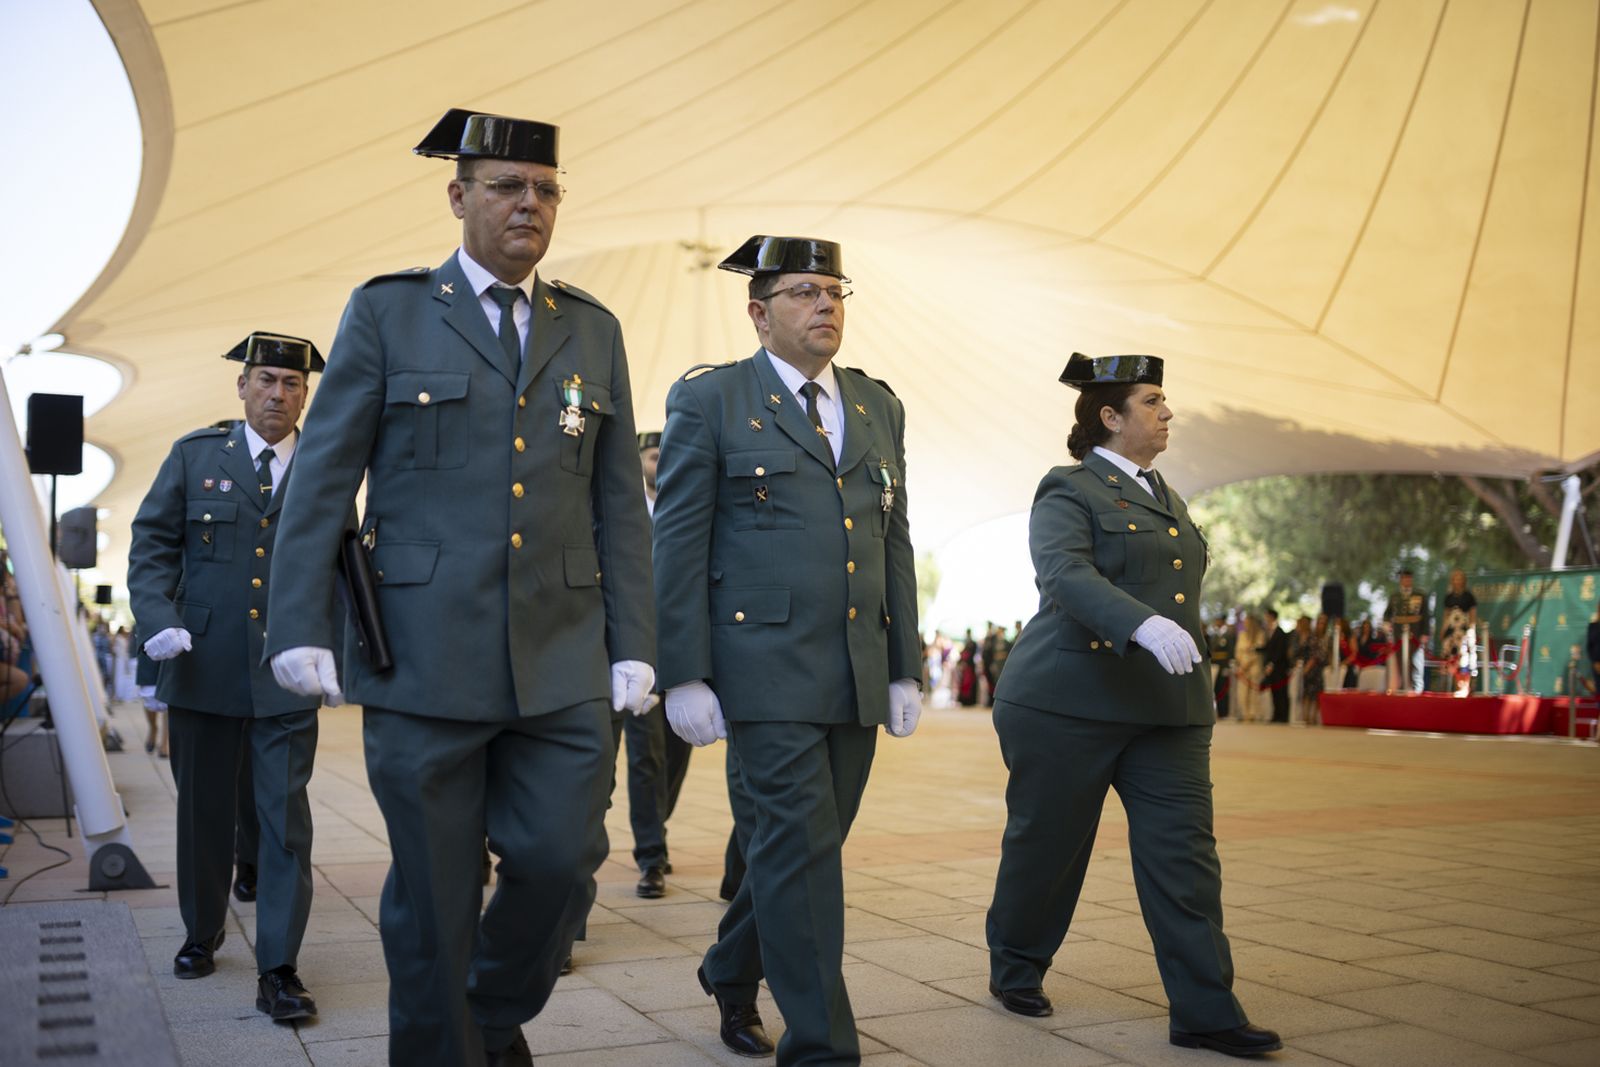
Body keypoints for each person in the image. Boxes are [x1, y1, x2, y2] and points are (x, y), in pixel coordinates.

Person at [263, 109, 656, 1067]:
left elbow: (619, 502)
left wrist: (637, 641)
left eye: (546, 189)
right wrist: (299, 622)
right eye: (507, 186)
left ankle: (484, 1012)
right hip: (422, 655)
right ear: (458, 197)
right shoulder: (389, 311)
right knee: (435, 895)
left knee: (565, 861)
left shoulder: (592, 329)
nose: (530, 204)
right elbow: (324, 477)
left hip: (561, 654)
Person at [653, 234, 921, 1065]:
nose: (825, 304)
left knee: (803, 849)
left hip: (855, 669)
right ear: (759, 313)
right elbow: (678, 539)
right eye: (804, 292)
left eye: (835, 290)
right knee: (802, 854)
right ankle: (823, 1045)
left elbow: (894, 537)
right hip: (762, 670)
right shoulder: (713, 399)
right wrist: (684, 672)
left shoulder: (876, 405)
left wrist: (905, 663)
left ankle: (730, 966)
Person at [985, 352, 1279, 1059]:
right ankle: (1016, 965)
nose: (1167, 411)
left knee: (1185, 859)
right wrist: (1139, 623)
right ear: (1110, 417)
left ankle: (1205, 1010)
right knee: (1049, 848)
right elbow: (1065, 572)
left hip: (1165, 710)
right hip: (1068, 702)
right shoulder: (1069, 488)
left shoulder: (1166, 496)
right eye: (1152, 400)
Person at [127, 331, 327, 1021]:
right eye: (265, 379)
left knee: (285, 822)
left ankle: (280, 966)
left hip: (288, 671)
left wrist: (340, 651)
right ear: (242, 386)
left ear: (305, 396)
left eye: (291, 384)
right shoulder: (194, 456)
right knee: (203, 812)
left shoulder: (324, 463)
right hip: (202, 663)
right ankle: (202, 929)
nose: (278, 393)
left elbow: (344, 562)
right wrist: (156, 616)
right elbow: (152, 543)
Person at [1384, 568, 1430, 692]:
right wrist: (1387, 623)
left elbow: (1426, 615)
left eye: (1408, 578)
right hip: (1398, 633)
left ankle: (1414, 685)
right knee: (1400, 659)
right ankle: (1404, 683)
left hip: (1415, 632)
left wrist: (1425, 633)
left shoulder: (1420, 595)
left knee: (1413, 658)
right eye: (1404, 578)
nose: (1406, 581)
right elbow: (1388, 613)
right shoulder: (1395, 596)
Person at [1438, 569, 1478, 696]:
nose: (1457, 581)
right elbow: (1446, 615)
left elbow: (1472, 615)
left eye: (1460, 578)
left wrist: (1471, 630)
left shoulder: (1469, 596)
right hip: (1451, 632)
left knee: (1464, 658)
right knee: (1449, 658)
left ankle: (1463, 687)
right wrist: (1443, 630)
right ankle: (1446, 687)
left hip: (1464, 632)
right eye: (1455, 578)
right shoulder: (1448, 597)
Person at [1257, 608, 1290, 723]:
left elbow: (1280, 651)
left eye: (1267, 616)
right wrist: (1256, 649)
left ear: (1272, 617)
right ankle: (1276, 714)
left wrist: (1272, 664)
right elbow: (1268, 648)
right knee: (1274, 692)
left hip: (1279, 668)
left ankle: (1283, 715)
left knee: (1281, 692)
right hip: (1271, 667)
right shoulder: (1269, 632)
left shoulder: (1280, 632)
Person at [1206, 616, 1234, 718]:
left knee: (1223, 688)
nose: (1216, 622)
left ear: (1222, 621)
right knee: (1216, 688)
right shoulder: (1214, 634)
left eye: (1218, 620)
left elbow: (1230, 650)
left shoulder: (1228, 635)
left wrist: (1227, 666)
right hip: (1214, 663)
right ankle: (1218, 711)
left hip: (1223, 663)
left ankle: (1224, 712)